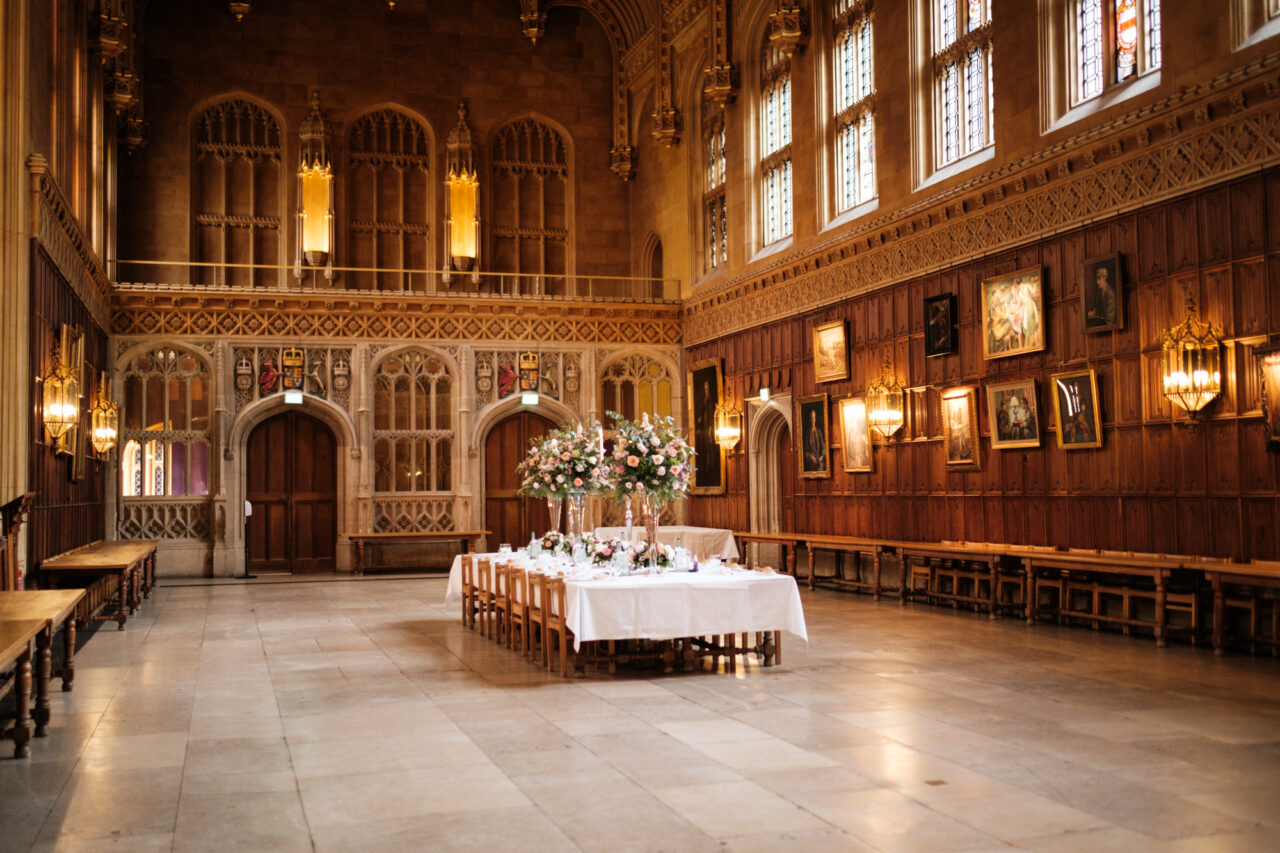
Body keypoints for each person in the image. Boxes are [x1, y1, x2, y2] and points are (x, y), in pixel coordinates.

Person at [1086, 265, 1116, 329]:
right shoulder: (1100, 295)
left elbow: (1110, 319)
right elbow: (1098, 311)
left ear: (1104, 278)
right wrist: (1092, 313)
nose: (1097, 281)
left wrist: (1094, 315)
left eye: (1099, 278)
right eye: (1097, 279)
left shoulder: (1111, 294)